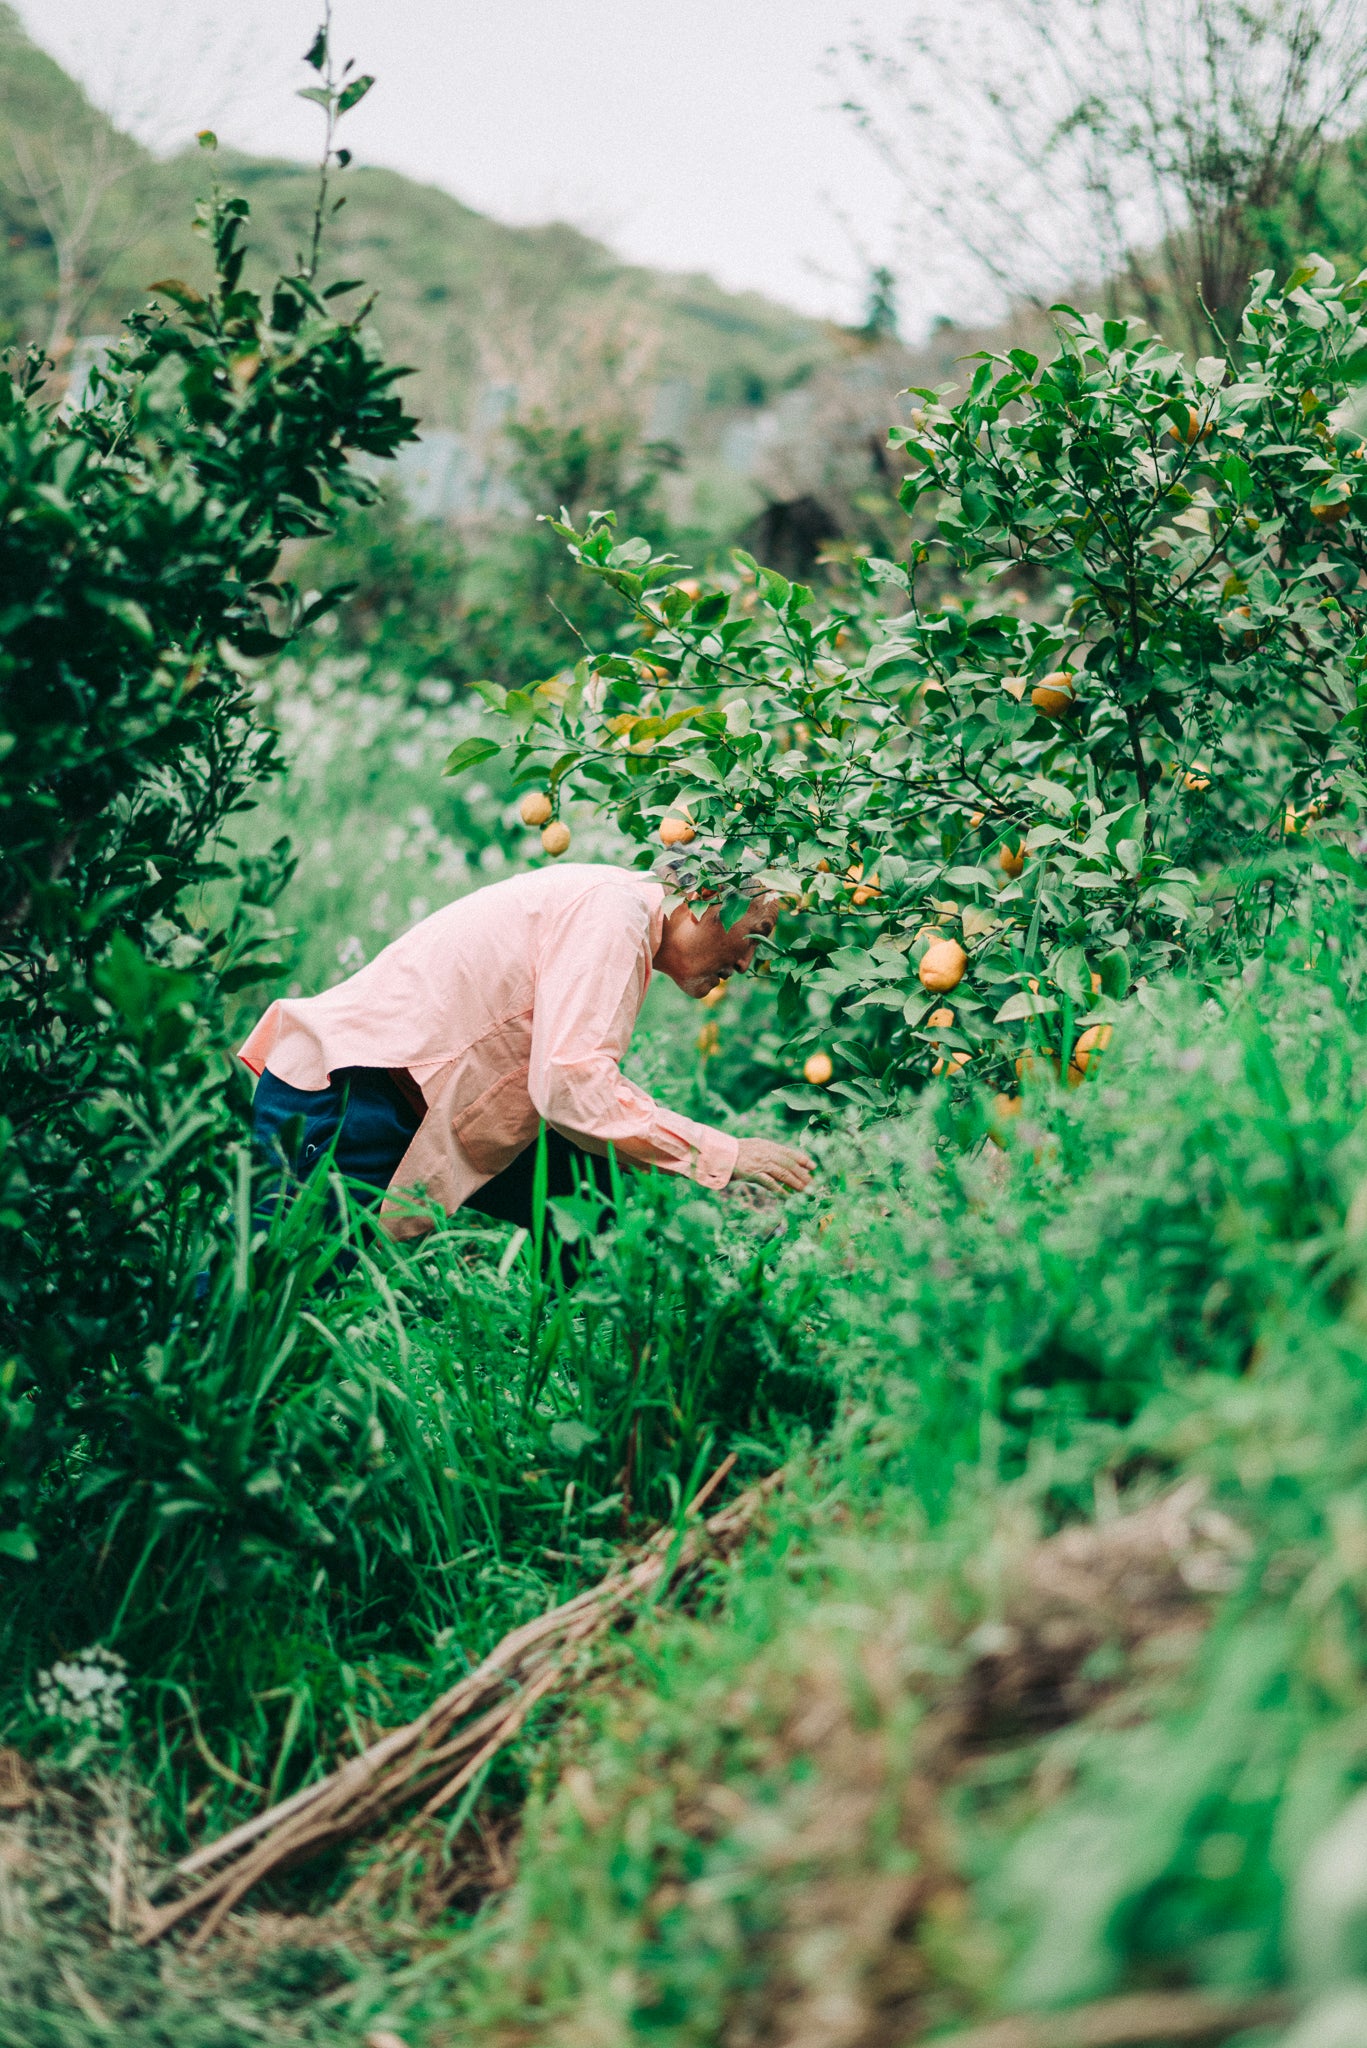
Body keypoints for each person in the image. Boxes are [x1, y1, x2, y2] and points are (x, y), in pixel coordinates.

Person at [239, 858, 815, 1243]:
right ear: (704, 900)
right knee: (255, 1309)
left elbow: (561, 1088)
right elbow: (570, 1084)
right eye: (757, 932)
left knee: (596, 1208)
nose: (747, 962)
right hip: (350, 1099)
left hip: (408, 1105)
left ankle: (606, 1386)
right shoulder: (613, 915)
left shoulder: (615, 910)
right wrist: (719, 1153)